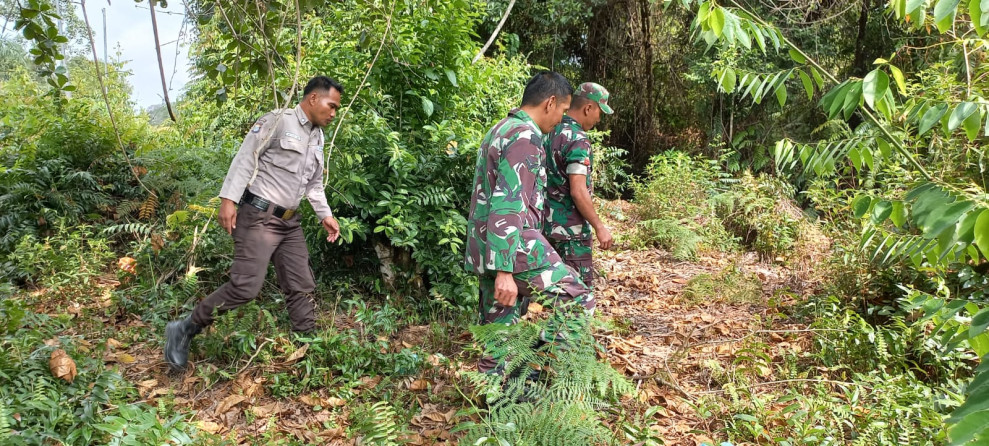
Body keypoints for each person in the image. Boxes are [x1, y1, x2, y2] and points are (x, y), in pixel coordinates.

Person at [164, 76, 344, 371]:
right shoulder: (277, 121)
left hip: (290, 223)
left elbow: (313, 184)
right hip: (258, 217)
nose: (333, 112)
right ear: (313, 98)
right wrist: (228, 199)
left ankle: (310, 350)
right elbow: (246, 157)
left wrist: (325, 214)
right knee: (245, 287)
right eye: (332, 105)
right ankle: (184, 329)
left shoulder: (317, 136)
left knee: (300, 284)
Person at [464, 71, 593, 375]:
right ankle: (540, 364)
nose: (561, 119)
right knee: (579, 300)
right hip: (515, 245)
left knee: (499, 326)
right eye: (562, 111)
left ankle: (496, 396)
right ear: (550, 102)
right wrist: (505, 271)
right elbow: (507, 202)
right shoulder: (526, 136)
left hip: (487, 244)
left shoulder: (501, 128)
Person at [543, 82, 615, 289]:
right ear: (588, 108)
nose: (599, 119)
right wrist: (600, 228)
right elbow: (578, 189)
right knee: (577, 297)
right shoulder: (577, 139)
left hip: (544, 228)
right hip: (570, 234)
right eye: (600, 112)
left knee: (552, 294)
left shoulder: (549, 130)